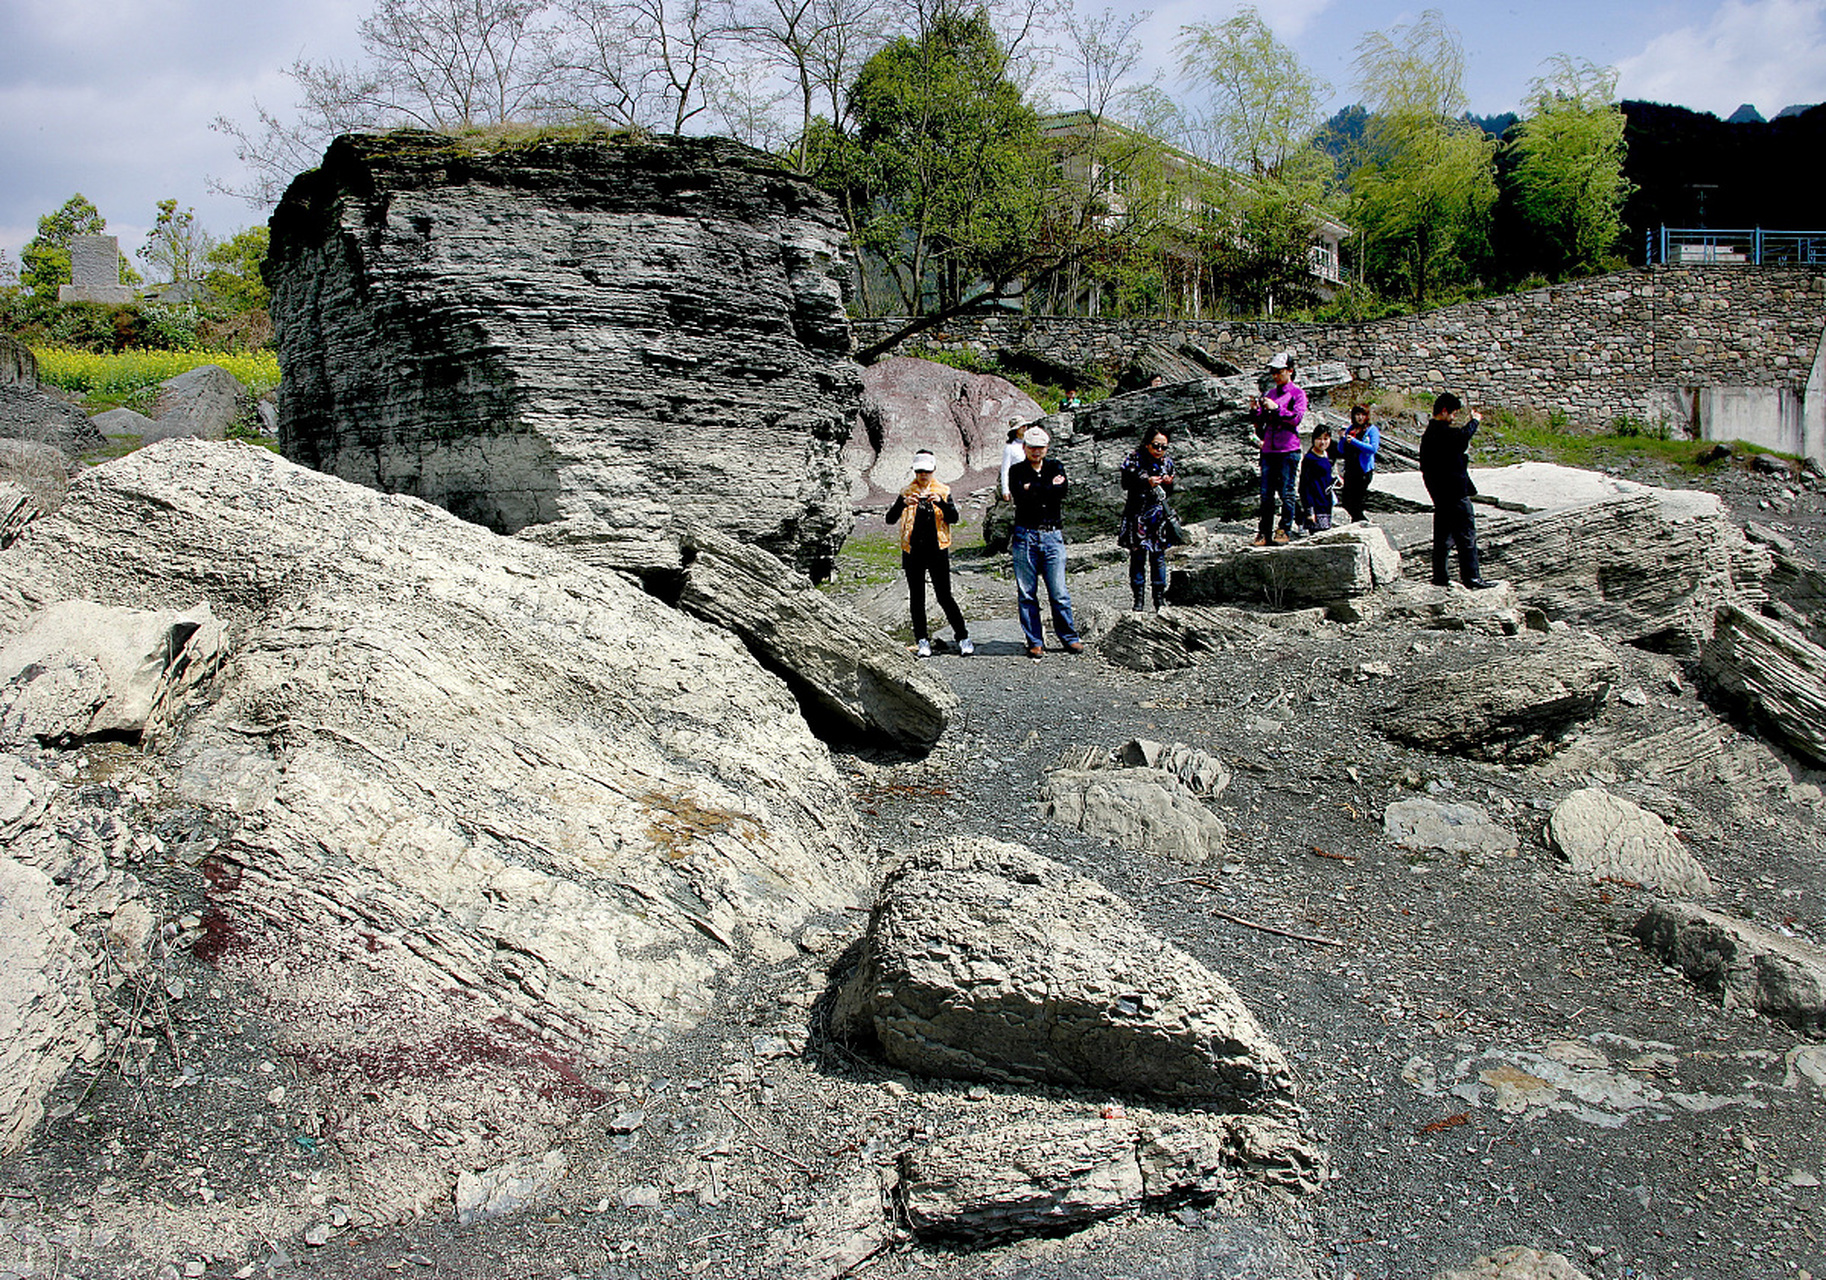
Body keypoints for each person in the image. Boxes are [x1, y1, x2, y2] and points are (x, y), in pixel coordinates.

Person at [885, 450, 973, 657]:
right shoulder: (907, 491)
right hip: (913, 551)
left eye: (927, 471)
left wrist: (940, 503)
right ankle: (922, 640)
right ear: (915, 471)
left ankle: (963, 637)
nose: (923, 475)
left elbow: (953, 518)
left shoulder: (942, 490)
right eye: (919, 471)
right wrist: (902, 504)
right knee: (917, 597)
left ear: (933, 470)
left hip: (937, 550)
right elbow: (890, 519)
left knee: (944, 596)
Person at [1006, 427, 1083, 658]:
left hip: (1052, 535)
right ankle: (1034, 640)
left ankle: (1069, 637)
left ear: (1046, 448)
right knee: (1027, 592)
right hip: (1025, 536)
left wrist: (1034, 488)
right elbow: (1019, 496)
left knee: (1059, 591)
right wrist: (1046, 487)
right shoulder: (1016, 470)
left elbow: (1061, 492)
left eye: (1040, 447)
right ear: (1024, 448)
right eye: (1032, 447)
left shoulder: (1056, 467)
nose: (1036, 451)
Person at [1419, 393, 1492, 589]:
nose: (1453, 418)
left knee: (1442, 538)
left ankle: (1440, 577)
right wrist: (1474, 421)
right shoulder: (1442, 433)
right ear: (1444, 412)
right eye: (1453, 414)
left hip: (1440, 495)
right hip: (1454, 493)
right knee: (1466, 535)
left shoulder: (1429, 435)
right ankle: (1472, 577)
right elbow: (1461, 438)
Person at [1250, 352, 1306, 546]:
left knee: (1287, 491)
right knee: (1266, 494)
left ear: (1290, 371)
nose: (1275, 376)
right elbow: (1260, 423)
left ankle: (1284, 528)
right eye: (1273, 372)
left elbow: (1296, 418)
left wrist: (1276, 409)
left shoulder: (1298, 393)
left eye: (1279, 372)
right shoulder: (1270, 393)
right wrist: (1256, 411)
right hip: (1269, 450)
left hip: (1288, 449)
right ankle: (1264, 531)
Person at [1118, 428, 1176, 612]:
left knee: (1158, 558)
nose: (1159, 450)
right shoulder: (1134, 459)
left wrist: (1168, 482)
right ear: (1147, 444)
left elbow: (1173, 488)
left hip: (1158, 515)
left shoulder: (1167, 462)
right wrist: (1146, 481)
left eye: (1163, 447)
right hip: (1137, 514)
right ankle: (1138, 600)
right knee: (1137, 557)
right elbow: (1125, 482)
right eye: (1156, 445)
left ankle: (1159, 599)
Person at [1337, 404, 1379, 523]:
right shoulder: (1351, 429)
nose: (1360, 418)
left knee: (1357, 501)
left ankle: (1361, 523)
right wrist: (1342, 439)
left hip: (1363, 470)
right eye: (1357, 415)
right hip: (1350, 469)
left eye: (1363, 415)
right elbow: (1341, 450)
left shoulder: (1371, 430)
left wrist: (1354, 442)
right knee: (1346, 501)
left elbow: (1373, 449)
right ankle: (1356, 522)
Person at [1297, 425, 1335, 534]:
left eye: (1326, 439)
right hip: (1315, 505)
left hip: (1325, 503)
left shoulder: (1325, 455)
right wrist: (1309, 511)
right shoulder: (1310, 459)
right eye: (1319, 439)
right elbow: (1304, 486)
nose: (1322, 442)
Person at [998, 422, 1026, 500]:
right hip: (1018, 484)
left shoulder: (1030, 445)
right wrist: (1005, 490)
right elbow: (1005, 469)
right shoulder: (1010, 448)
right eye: (1022, 426)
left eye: (1025, 426)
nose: (1025, 428)